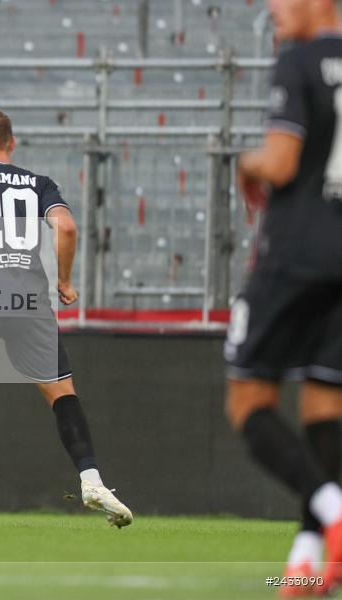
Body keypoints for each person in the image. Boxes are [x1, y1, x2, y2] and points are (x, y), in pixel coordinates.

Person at [0, 108, 132, 528]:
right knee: (60, 392)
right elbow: (65, 228)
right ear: (12, 143)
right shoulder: (38, 183)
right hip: (29, 299)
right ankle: (91, 479)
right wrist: (65, 282)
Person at [230, 0, 342, 593]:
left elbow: (280, 160)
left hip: (296, 255)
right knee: (326, 407)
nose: (274, 8)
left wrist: (245, 165)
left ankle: (333, 505)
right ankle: (308, 559)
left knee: (249, 401)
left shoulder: (300, 59)